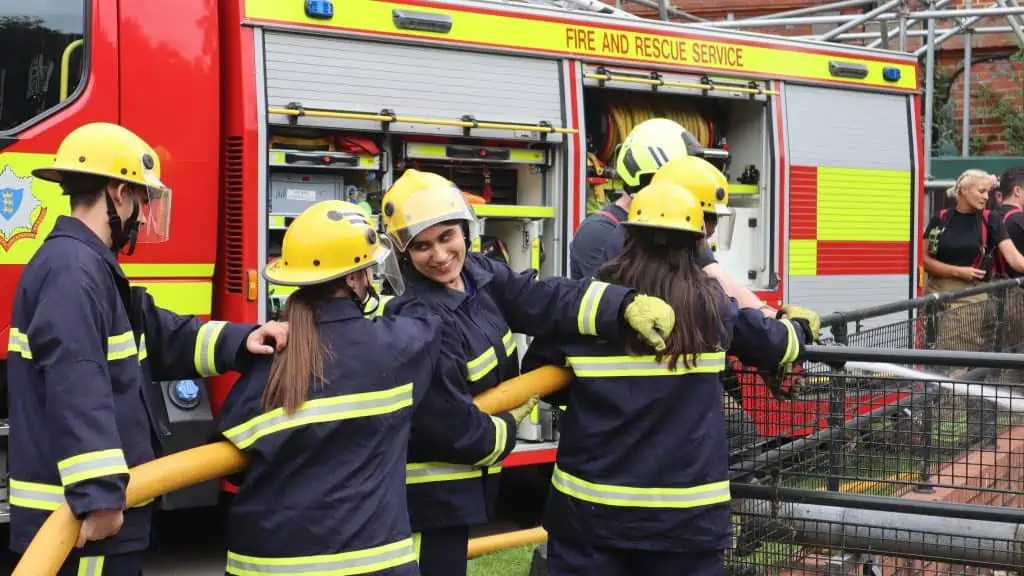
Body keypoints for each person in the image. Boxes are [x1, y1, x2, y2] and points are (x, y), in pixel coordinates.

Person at [6, 122, 288, 575]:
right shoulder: (73, 272)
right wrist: (98, 496)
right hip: (80, 526)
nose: (142, 215)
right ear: (118, 194)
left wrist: (243, 339)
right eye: (141, 201)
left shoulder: (89, 267)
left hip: (88, 518)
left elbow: (162, 335)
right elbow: (76, 385)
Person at [379, 169, 677, 576]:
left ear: (465, 230)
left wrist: (620, 305)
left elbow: (545, 298)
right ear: (403, 254)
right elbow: (446, 424)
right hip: (433, 483)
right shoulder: (418, 316)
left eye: (447, 236)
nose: (440, 255)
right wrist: (503, 428)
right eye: (422, 246)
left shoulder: (479, 276)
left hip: (466, 472)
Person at [216, 200, 537, 576]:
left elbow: (233, 468)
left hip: (261, 564)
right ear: (355, 278)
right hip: (367, 563)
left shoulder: (268, 362)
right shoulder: (399, 345)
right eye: (369, 268)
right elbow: (428, 327)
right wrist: (506, 429)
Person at [521, 180, 819, 576]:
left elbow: (538, 373)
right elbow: (775, 344)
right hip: (685, 525)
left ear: (628, 237)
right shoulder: (712, 310)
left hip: (589, 518)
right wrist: (799, 326)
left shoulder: (590, 306)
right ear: (696, 243)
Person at [570, 117, 782, 318]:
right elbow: (631, 304)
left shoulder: (680, 225)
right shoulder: (600, 233)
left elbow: (720, 281)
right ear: (653, 178)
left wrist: (771, 316)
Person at [923, 168, 1024, 353]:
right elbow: (924, 259)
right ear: (963, 190)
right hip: (935, 294)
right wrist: (958, 271)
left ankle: (950, 382)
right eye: (981, 191)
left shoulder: (990, 219)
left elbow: (1015, 259)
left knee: (953, 354)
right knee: (932, 350)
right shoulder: (941, 218)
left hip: (969, 297)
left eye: (988, 192)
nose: (986, 197)